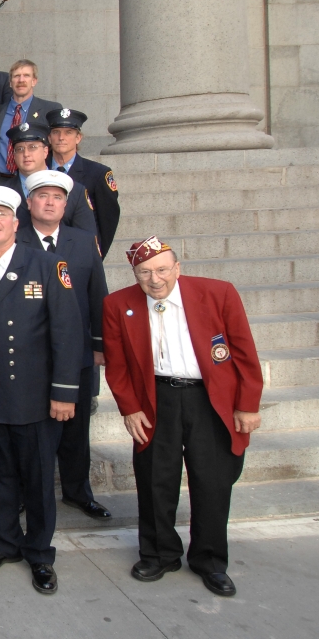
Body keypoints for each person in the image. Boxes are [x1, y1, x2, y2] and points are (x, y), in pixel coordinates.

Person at [103, 236, 263, 598]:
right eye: (145, 272)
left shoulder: (218, 293)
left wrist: (248, 404)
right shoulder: (118, 304)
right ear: (135, 274)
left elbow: (244, 351)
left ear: (177, 267)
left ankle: (210, 560)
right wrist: (130, 407)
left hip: (209, 399)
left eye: (162, 269)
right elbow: (117, 364)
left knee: (213, 480)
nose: (155, 279)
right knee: (155, 478)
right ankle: (159, 554)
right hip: (155, 398)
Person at [0, 186, 83, 596]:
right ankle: (6, 541)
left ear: (15, 222)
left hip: (34, 395)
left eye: (0, 215)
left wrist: (65, 392)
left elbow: (67, 332)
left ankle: (40, 552)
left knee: (38, 479)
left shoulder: (45, 265)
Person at [16, 170, 111, 520]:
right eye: (42, 196)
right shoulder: (14, 240)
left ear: (66, 205)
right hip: (30, 356)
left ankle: (78, 491)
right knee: (31, 433)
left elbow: (98, 294)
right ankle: (27, 495)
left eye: (57, 197)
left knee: (76, 430)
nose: (49, 203)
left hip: (76, 353)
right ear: (29, 203)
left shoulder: (83, 241)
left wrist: (99, 344)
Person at [0, 59, 62, 190]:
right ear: (10, 82)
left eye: (26, 75)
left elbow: (59, 149)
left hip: (36, 182)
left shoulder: (50, 110)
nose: (21, 80)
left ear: (34, 81)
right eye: (16, 76)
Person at [47, 108, 121, 258]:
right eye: (56, 132)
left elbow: (107, 221)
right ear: (49, 137)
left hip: (79, 253)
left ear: (78, 138)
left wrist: (96, 257)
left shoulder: (97, 173)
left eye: (68, 132)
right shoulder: (38, 170)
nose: (61, 137)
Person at [5, 123, 97, 236]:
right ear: (14, 155)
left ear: (45, 151)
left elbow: (86, 238)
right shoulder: (4, 192)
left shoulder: (75, 190)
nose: (26, 154)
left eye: (32, 147)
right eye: (19, 149)